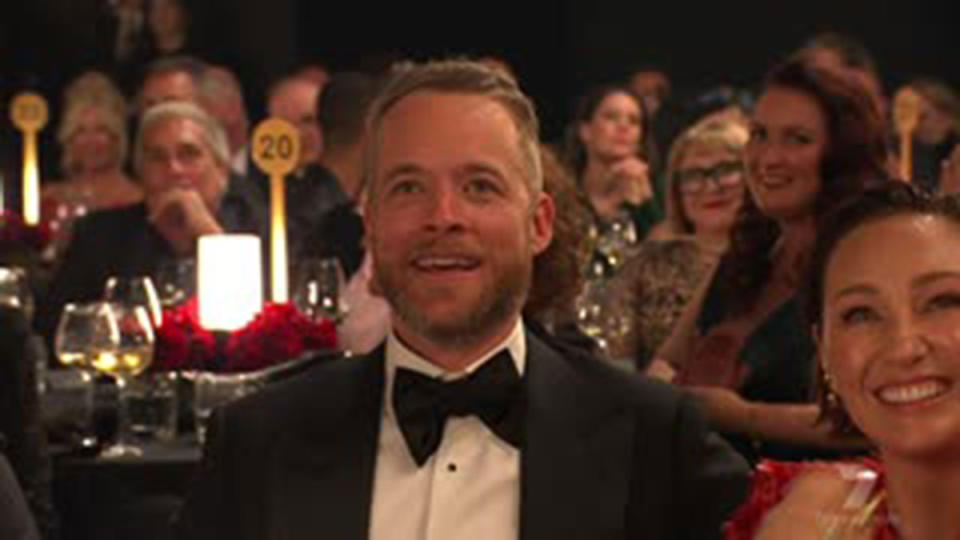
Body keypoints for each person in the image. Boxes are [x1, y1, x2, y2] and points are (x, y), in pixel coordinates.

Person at [177, 59, 749, 540]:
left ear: (539, 224)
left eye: (480, 186)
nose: (443, 217)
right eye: (409, 188)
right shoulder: (257, 443)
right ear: (370, 225)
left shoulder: (654, 439)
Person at [652, 56, 890, 463]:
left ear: (841, 156)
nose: (768, 158)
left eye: (796, 139)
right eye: (759, 134)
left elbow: (878, 417)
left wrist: (744, 416)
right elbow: (666, 361)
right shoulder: (748, 252)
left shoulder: (867, 260)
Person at [726, 183, 960, 539]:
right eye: (861, 314)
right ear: (823, 352)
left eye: (943, 302)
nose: (903, 346)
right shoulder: (792, 512)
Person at [35, 101, 264, 344]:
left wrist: (208, 236)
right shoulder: (99, 235)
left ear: (222, 169)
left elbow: (259, 333)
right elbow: (57, 330)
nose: (174, 169)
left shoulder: (259, 230)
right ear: (140, 173)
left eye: (189, 154)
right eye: (157, 158)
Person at [609, 118, 749, 368]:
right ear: (676, 191)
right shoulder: (649, 264)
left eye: (726, 170)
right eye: (694, 176)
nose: (710, 186)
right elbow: (616, 360)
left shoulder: (780, 263)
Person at [565, 85, 661, 240]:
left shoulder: (659, 191)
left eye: (634, 121)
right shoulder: (562, 191)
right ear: (585, 131)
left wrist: (645, 205)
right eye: (611, 117)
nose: (624, 126)